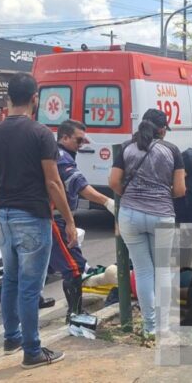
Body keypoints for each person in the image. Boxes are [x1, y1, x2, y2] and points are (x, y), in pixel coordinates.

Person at [0, 72, 76, 369]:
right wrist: (70, 220)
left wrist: (1, 212)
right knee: (29, 286)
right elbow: (53, 183)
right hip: (32, 217)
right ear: (34, 99)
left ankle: (12, 337)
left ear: (8, 99)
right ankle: (32, 350)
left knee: (10, 279)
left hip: (5, 216)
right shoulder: (40, 134)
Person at [108, 108, 186, 338]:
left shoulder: (126, 148)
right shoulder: (172, 150)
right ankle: (162, 328)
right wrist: (159, 196)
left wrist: (131, 194)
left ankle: (148, 327)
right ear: (162, 129)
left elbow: (113, 181)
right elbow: (180, 190)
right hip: (161, 214)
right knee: (162, 271)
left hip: (130, 215)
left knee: (143, 271)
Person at [50, 119, 115, 322]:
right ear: (64, 137)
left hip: (58, 218)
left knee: (75, 263)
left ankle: (70, 309)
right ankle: (75, 314)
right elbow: (79, 185)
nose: (82, 145)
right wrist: (106, 202)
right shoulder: (62, 159)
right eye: (78, 140)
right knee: (72, 268)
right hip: (55, 219)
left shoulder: (60, 154)